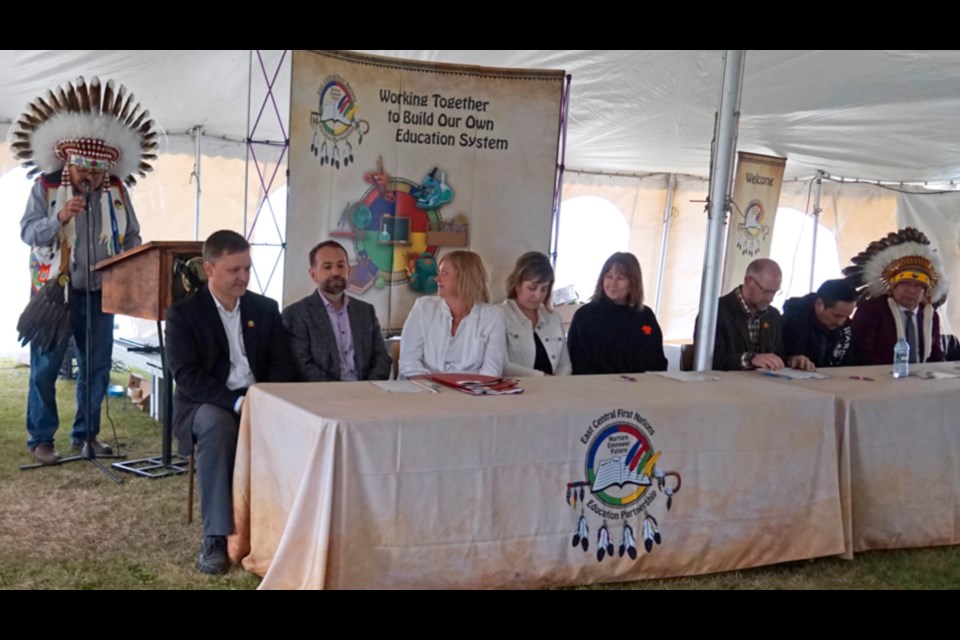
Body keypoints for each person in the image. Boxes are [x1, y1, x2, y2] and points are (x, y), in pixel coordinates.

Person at [13, 77, 156, 465]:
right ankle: (41, 438)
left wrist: (133, 265)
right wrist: (59, 217)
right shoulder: (44, 187)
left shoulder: (116, 191)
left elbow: (132, 235)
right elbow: (27, 231)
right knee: (45, 366)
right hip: (55, 292)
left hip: (100, 291)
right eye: (82, 169)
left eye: (96, 169)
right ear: (69, 163)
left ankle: (86, 435)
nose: (89, 177)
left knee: (97, 366)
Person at [165, 230, 296, 574]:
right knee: (216, 424)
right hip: (207, 403)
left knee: (305, 422)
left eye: (247, 269)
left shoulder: (264, 309)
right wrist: (238, 403)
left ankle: (289, 530)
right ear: (209, 269)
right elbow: (187, 376)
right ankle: (215, 537)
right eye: (234, 270)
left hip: (262, 399)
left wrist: (265, 400)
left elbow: (284, 365)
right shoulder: (183, 314)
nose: (243, 277)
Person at [282, 240, 391, 381]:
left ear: (349, 270)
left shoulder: (365, 311)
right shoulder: (296, 314)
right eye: (327, 267)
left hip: (366, 394)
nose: (335, 272)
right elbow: (302, 365)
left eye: (341, 266)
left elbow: (381, 358)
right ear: (313, 274)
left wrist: (368, 388)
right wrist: (338, 392)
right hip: (321, 396)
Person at [845, 228, 947, 365]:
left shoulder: (929, 315)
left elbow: (935, 353)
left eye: (917, 286)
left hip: (921, 380)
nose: (911, 291)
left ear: (925, 291)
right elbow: (862, 353)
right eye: (905, 284)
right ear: (892, 287)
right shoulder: (872, 309)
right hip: (880, 378)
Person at [399, 250, 506, 378]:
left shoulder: (493, 316)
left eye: (444, 272)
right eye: (439, 272)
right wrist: (433, 391)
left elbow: (491, 371)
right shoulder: (423, 308)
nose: (437, 278)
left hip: (472, 392)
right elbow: (409, 363)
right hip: (426, 390)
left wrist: (466, 392)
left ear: (464, 277)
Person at [699, 258, 814, 371]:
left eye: (775, 292)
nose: (771, 298)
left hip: (763, 385)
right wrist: (750, 359)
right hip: (725, 386)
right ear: (748, 281)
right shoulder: (715, 312)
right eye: (766, 291)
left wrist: (791, 360)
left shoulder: (773, 315)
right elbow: (711, 361)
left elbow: (776, 355)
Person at [567, 252, 667, 375]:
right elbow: (575, 360)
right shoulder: (585, 315)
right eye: (609, 276)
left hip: (638, 388)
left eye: (620, 278)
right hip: (593, 387)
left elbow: (657, 361)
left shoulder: (645, 316)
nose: (613, 284)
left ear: (633, 283)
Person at [502, 251, 571, 376]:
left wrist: (559, 383)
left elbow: (565, 364)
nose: (538, 295)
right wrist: (543, 379)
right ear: (517, 285)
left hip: (554, 389)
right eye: (532, 288)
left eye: (544, 289)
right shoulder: (499, 315)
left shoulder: (554, 318)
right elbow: (503, 364)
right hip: (516, 390)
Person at [781, 279, 858, 368]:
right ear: (819, 304)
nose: (840, 323)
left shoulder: (846, 326)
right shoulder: (793, 322)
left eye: (846, 316)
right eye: (836, 316)